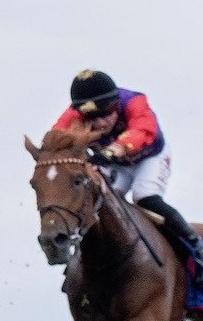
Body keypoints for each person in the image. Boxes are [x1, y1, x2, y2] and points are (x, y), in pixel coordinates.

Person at [52, 70, 201, 257]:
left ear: (116, 103)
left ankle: (194, 243)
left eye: (106, 113)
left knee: (144, 196)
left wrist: (112, 150)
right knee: (102, 202)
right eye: (91, 117)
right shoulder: (72, 116)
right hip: (116, 166)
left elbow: (142, 130)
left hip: (149, 159)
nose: (99, 123)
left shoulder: (134, 102)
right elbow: (55, 138)